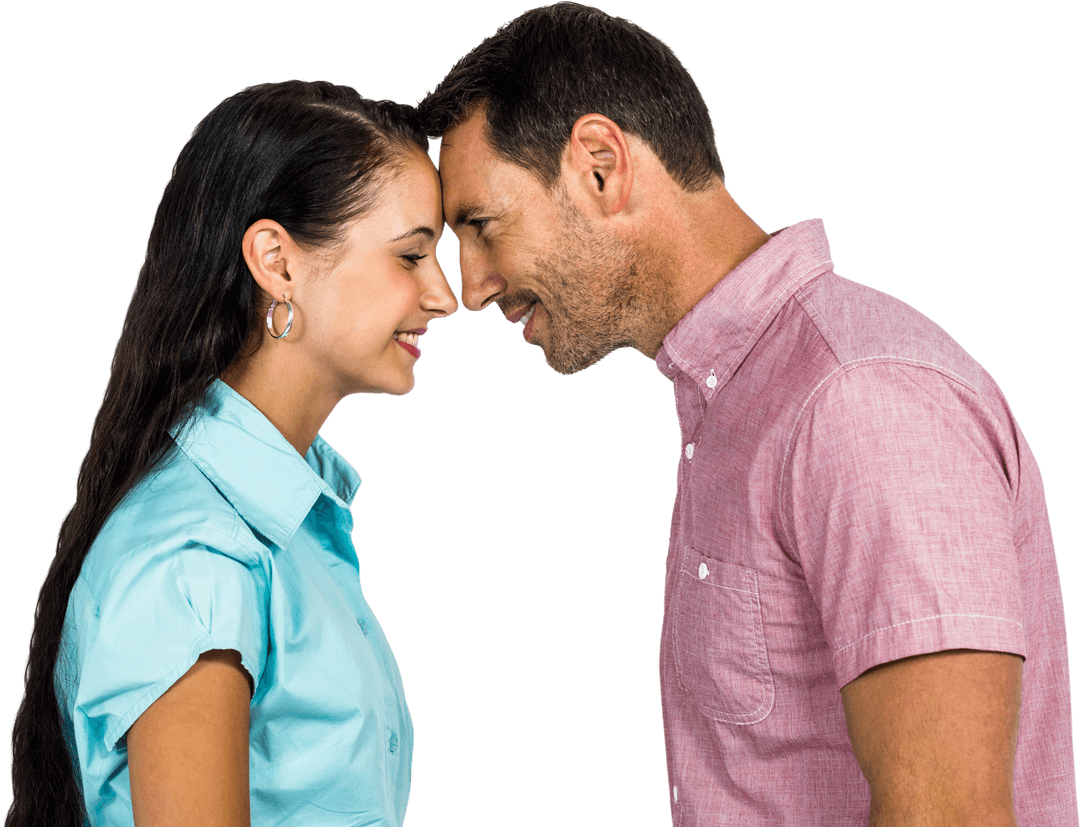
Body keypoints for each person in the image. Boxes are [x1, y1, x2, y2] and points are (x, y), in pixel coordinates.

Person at [416, 3, 1077, 825]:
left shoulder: (857, 401)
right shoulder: (740, 407)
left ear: (599, 165)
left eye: (480, 224)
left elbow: (950, 815)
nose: (471, 285)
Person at [7, 79, 456, 827]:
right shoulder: (200, 556)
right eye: (411, 255)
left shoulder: (287, 523)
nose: (443, 295)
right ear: (276, 261)